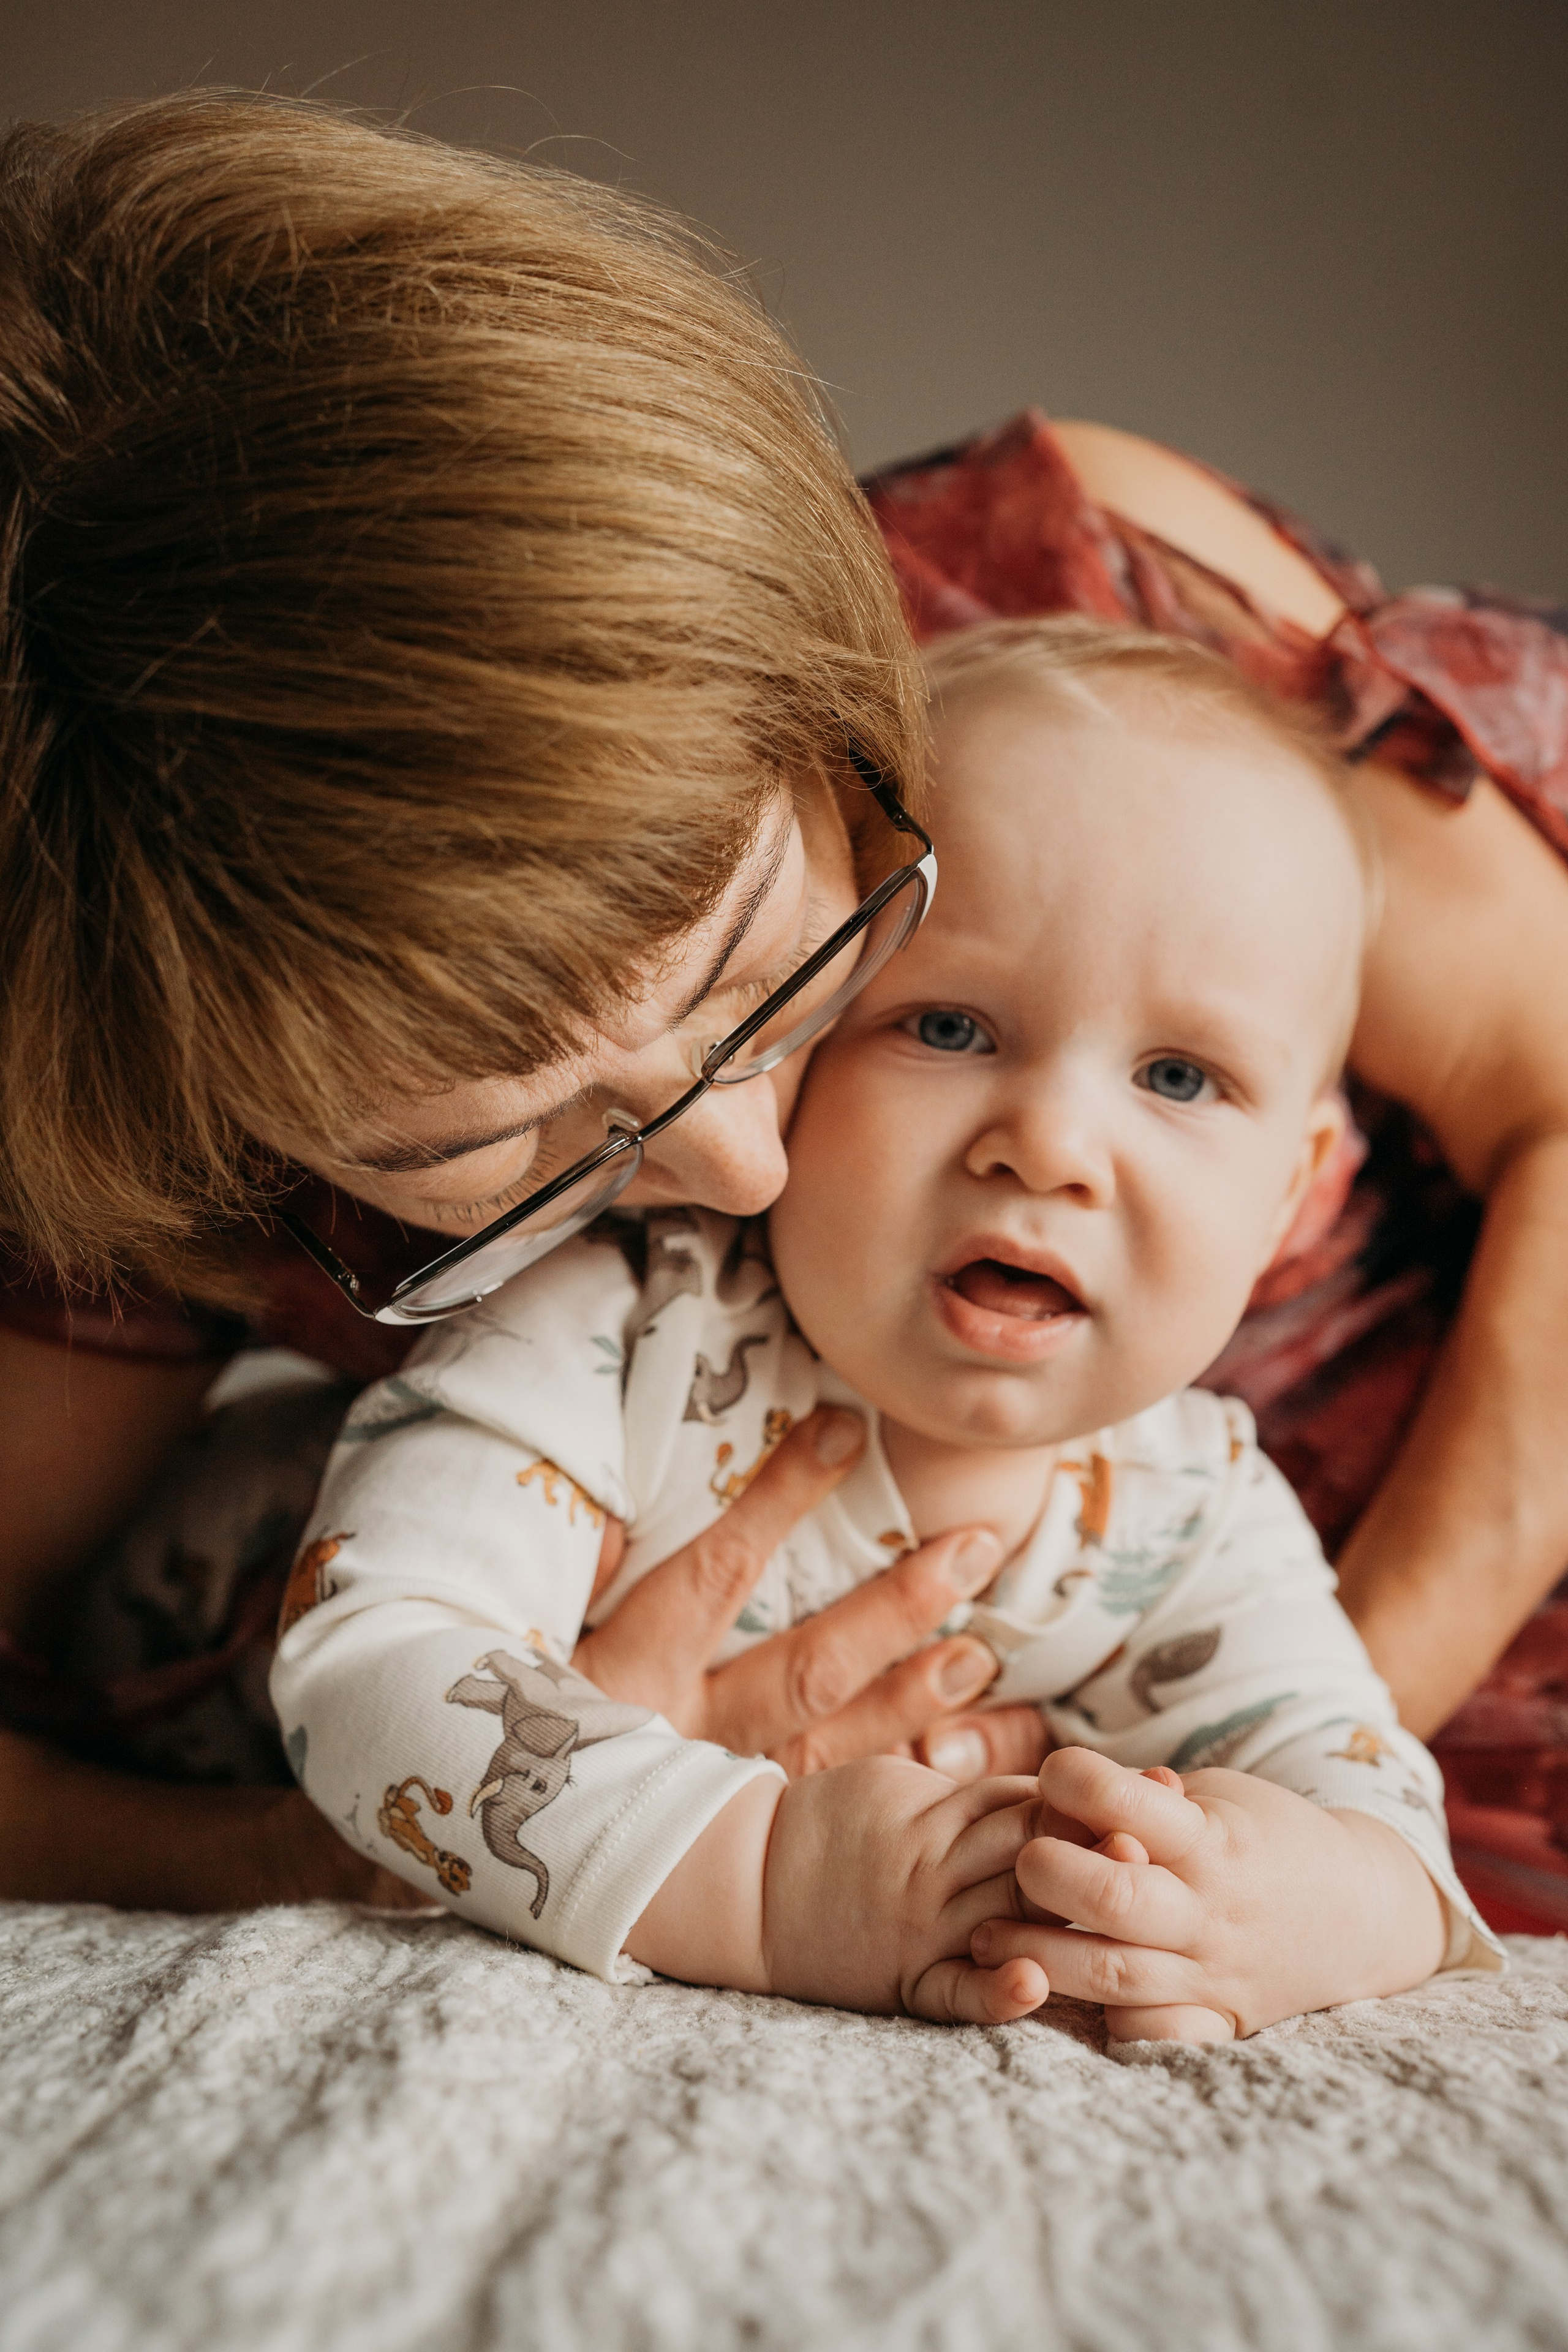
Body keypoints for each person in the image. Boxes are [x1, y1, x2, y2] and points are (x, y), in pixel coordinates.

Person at [4, 93, 1566, 1926]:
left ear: (824, 671)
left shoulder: (1063, 631)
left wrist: (1249, 1816)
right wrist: (520, 1829)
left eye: (773, 966)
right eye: (492, 1148)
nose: (747, 1171)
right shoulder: (142, 1078)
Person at [271, 617, 1501, 2038]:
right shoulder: (617, 1330)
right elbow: (370, 1656)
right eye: (949, 1028)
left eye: (1177, 1074)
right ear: (790, 1043)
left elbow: (1373, 1804)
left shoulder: (1195, 1511)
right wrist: (768, 1878)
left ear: (1294, 1191)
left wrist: (1269, 1903)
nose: (1046, 1144)